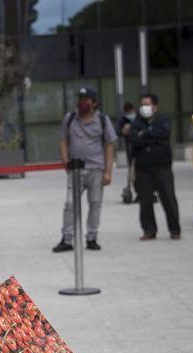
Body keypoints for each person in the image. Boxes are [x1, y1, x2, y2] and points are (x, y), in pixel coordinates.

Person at [55, 85, 115, 252]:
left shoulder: (103, 120)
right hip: (75, 169)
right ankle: (67, 239)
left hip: (96, 169)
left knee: (95, 203)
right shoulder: (70, 118)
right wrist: (65, 160)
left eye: (86, 100)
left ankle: (92, 237)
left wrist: (108, 171)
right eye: (80, 100)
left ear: (94, 103)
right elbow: (63, 139)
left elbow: (109, 145)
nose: (82, 103)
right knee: (69, 204)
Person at [130, 94, 179, 240]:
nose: (144, 108)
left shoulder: (163, 120)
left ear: (155, 106)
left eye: (147, 104)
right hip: (143, 167)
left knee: (168, 198)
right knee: (145, 200)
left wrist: (144, 135)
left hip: (162, 165)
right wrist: (152, 138)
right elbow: (133, 140)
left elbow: (163, 134)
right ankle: (149, 230)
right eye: (142, 104)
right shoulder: (136, 122)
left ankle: (174, 229)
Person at [117, 101, 138, 203]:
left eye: (131, 112)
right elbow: (117, 132)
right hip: (130, 150)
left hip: (142, 150)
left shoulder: (140, 118)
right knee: (132, 174)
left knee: (143, 173)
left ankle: (148, 193)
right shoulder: (123, 120)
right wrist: (123, 131)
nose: (130, 114)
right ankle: (138, 192)